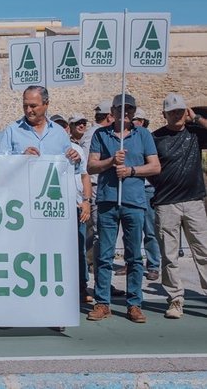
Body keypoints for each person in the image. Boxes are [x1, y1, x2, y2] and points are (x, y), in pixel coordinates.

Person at [86, 93, 160, 324]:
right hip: (108, 201)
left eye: (129, 109)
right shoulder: (101, 134)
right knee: (105, 255)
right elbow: (91, 166)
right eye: (121, 109)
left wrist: (131, 171)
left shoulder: (144, 134)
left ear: (133, 111)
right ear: (113, 112)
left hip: (134, 201)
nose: (125, 113)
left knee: (134, 257)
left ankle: (134, 303)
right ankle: (102, 302)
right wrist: (111, 162)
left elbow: (155, 166)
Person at [150, 93, 207, 319]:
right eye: (172, 111)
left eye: (180, 111)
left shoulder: (195, 133)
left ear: (186, 112)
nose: (177, 115)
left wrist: (198, 119)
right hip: (166, 203)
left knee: (203, 251)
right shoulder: (155, 138)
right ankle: (175, 299)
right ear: (164, 114)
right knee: (169, 256)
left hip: (194, 201)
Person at [51, 115, 93, 304]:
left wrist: (86, 201)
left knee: (79, 250)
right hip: (53, 209)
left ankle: (81, 287)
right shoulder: (48, 150)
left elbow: (85, 176)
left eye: (63, 127)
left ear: (67, 130)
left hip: (75, 206)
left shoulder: (76, 150)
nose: (60, 130)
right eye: (56, 127)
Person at [0, 86, 80, 164]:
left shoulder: (59, 132)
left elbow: (70, 168)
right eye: (25, 106)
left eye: (33, 106)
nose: (28, 110)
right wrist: (22, 159)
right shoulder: (12, 131)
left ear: (46, 104)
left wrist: (75, 160)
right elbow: (0, 165)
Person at [80, 101, 115, 274]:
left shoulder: (90, 133)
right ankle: (94, 268)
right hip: (94, 186)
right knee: (98, 233)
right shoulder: (95, 134)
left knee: (96, 232)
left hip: (96, 186)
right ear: (109, 116)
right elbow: (87, 166)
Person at [127, 108, 161, 281]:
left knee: (150, 230)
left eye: (139, 119)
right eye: (135, 119)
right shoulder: (126, 137)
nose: (136, 122)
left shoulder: (147, 137)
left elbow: (154, 165)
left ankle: (153, 265)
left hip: (146, 188)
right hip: (132, 187)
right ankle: (131, 263)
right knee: (131, 231)